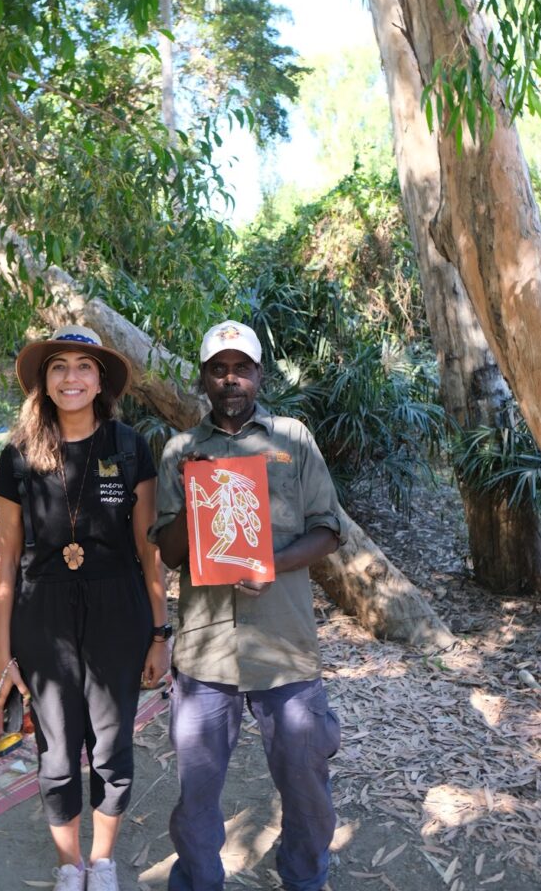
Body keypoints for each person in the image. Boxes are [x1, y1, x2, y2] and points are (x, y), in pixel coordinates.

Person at [151, 320, 348, 891]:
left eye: (241, 368)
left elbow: (328, 531)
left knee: (306, 788)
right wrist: (203, 505)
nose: (230, 379)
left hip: (284, 649)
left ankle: (305, 880)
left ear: (259, 375)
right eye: (219, 369)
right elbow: (165, 547)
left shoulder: (292, 439)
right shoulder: (181, 452)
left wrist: (270, 563)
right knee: (196, 792)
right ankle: (197, 881)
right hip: (206, 654)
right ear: (205, 379)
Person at [0, 324, 170, 891]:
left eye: (84, 366)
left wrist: (160, 632)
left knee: (113, 743)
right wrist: (2, 655)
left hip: (118, 607)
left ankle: (103, 862)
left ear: (100, 381)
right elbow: (5, 561)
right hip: (43, 611)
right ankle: (70, 866)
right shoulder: (18, 455)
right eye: (59, 366)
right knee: (58, 748)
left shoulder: (128, 446)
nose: (72, 377)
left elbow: (149, 550)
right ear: (44, 382)